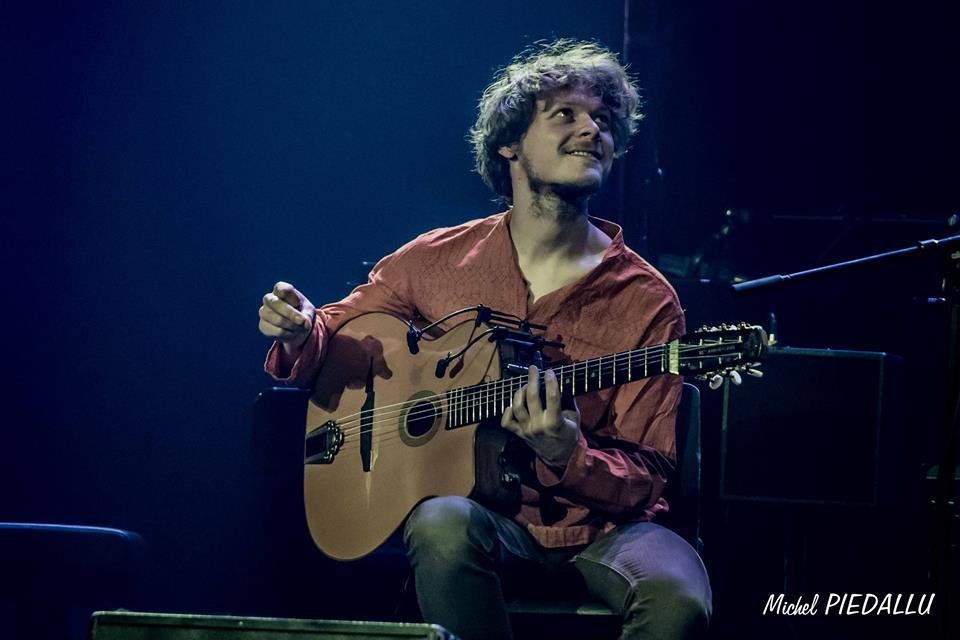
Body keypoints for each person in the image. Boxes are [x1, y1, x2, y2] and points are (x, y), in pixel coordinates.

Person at [259, 39, 711, 640]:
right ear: (510, 144)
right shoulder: (435, 260)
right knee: (439, 522)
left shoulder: (647, 298)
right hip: (486, 517)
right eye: (566, 115)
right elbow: (340, 332)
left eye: (603, 119)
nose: (591, 130)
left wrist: (567, 455)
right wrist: (299, 331)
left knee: (680, 598)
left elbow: (650, 471)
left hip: (609, 531)